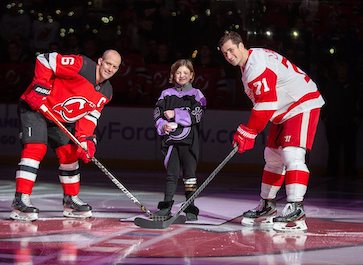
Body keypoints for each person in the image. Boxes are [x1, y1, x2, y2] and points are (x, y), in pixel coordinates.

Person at [218, 31, 325, 232]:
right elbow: (265, 102)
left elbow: (266, 104)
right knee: (272, 156)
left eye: (231, 50)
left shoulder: (256, 66)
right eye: (225, 54)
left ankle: (296, 208)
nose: (229, 56)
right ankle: (267, 205)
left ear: (241, 45)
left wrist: (248, 132)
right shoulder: (249, 63)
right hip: (282, 110)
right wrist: (250, 131)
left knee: (292, 154)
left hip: (300, 103)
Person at [10, 49, 122, 221]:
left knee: (69, 154)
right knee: (36, 148)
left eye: (115, 67)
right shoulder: (81, 65)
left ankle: (70, 200)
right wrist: (41, 85)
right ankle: (20, 200)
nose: (110, 69)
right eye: (108, 63)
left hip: (59, 119)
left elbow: (90, 116)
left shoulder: (107, 92)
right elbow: (45, 59)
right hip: (36, 108)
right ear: (100, 61)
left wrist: (85, 139)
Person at [153, 59, 207, 221]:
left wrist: (176, 114)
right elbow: (157, 113)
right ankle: (166, 206)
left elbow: (197, 115)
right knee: (171, 175)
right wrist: (163, 125)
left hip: (190, 143)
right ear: (173, 75)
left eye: (185, 73)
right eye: (178, 72)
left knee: (189, 176)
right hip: (172, 142)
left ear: (191, 75)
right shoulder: (166, 94)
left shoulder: (197, 94)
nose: (181, 75)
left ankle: (190, 206)